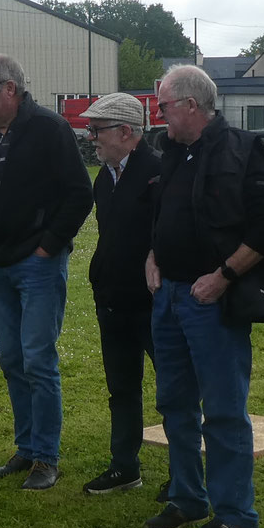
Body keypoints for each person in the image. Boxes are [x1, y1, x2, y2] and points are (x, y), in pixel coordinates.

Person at [143, 62, 264, 528]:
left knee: (223, 409)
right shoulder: (169, 152)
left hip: (211, 300)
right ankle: (188, 498)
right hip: (169, 296)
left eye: (162, 105)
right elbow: (164, 214)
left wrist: (223, 278)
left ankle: (235, 514)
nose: (157, 114)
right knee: (174, 404)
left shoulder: (242, 149)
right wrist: (153, 255)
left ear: (190, 104)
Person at [0, 53, 93, 491]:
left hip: (37, 265)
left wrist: (46, 248)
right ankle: (26, 448)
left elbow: (79, 195)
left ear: (9, 90)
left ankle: (46, 458)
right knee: (12, 359)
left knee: (38, 359)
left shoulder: (50, 130)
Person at [76, 92, 162, 496]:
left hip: (153, 303)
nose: (91, 137)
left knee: (173, 392)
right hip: (112, 299)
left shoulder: (158, 174)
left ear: (127, 132)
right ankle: (124, 466)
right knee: (121, 388)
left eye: (98, 130)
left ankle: (186, 477)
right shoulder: (104, 177)